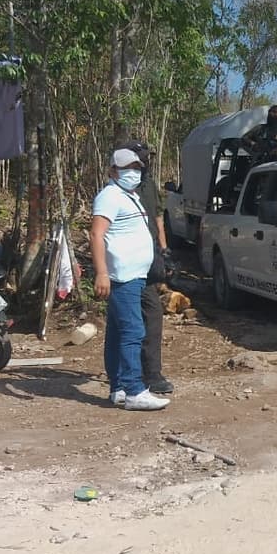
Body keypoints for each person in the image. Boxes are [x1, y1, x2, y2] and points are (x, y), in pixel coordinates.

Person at [90, 148, 170, 411]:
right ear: (113, 170)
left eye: (137, 167)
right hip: (122, 276)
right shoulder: (109, 197)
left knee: (116, 333)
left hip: (135, 275)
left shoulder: (130, 195)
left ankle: (119, 387)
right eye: (127, 168)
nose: (133, 172)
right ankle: (135, 390)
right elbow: (96, 235)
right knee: (133, 331)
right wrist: (102, 272)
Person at [115, 139, 175, 396]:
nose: (143, 163)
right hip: (127, 265)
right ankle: (131, 379)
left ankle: (147, 373)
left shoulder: (149, 186)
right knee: (132, 323)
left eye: (145, 159)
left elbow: (158, 219)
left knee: (151, 316)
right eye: (139, 159)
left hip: (149, 260)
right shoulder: (120, 190)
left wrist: (164, 251)